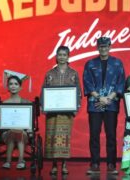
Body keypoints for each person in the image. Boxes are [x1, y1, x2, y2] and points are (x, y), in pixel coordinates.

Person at [83, 37, 125, 175]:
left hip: (111, 104)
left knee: (111, 135)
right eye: (101, 46)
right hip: (94, 104)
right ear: (97, 47)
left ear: (110, 47)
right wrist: (99, 97)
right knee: (94, 134)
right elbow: (87, 83)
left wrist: (109, 98)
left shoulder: (118, 63)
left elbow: (120, 83)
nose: (103, 49)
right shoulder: (90, 64)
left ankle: (111, 164)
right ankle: (94, 163)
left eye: (106, 46)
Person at [42, 46, 82, 175]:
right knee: (53, 137)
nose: (62, 57)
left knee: (64, 138)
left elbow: (78, 92)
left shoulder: (73, 73)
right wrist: (43, 106)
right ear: (56, 56)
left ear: (68, 56)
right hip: (52, 112)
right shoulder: (49, 74)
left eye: (64, 54)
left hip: (66, 112)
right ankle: (54, 165)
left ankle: (64, 164)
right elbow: (44, 91)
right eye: (59, 54)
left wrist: (76, 107)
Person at [0, 75, 32, 170]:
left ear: (20, 87)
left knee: (18, 132)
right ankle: (9, 161)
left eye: (16, 84)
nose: (13, 86)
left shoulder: (26, 103)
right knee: (12, 132)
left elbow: (30, 122)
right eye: (10, 84)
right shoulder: (3, 104)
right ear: (8, 87)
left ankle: (18, 161)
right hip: (7, 133)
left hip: (23, 133)